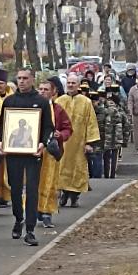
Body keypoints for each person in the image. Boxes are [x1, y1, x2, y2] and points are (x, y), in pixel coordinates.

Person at [0, 68, 54, 246]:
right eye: (19, 78)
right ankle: (18, 218)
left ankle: (30, 229)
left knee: (31, 189)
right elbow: (2, 126)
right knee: (14, 189)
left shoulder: (42, 102)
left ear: (32, 79)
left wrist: (42, 144)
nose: (21, 81)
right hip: (13, 154)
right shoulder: (10, 101)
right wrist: (0, 142)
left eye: (25, 78)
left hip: (33, 153)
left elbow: (48, 128)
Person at [56, 72, 101, 208]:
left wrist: (89, 143)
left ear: (78, 85)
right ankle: (64, 193)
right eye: (68, 83)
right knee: (62, 169)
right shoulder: (59, 101)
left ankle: (74, 196)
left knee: (78, 169)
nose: (70, 85)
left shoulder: (86, 102)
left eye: (73, 83)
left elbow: (91, 123)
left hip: (79, 143)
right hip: (63, 142)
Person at [37, 78, 73, 228]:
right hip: (34, 152)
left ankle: (47, 212)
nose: (43, 92)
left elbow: (68, 128)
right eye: (41, 89)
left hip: (51, 153)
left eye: (46, 89)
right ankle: (32, 211)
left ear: (53, 92)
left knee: (50, 182)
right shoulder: (33, 108)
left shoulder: (58, 110)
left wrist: (61, 135)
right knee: (33, 183)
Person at [0, 68, 15, 206]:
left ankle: (6, 194)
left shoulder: (12, 98)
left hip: (9, 136)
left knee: (7, 167)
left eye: (1, 83)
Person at [101, 89, 123, 178]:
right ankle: (110, 174)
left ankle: (109, 174)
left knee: (109, 156)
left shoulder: (104, 111)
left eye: (111, 102)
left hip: (111, 137)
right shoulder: (119, 111)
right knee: (111, 156)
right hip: (111, 137)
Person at [87, 89, 105, 179]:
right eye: (91, 101)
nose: (92, 103)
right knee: (89, 157)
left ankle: (97, 176)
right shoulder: (87, 110)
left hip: (99, 136)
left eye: (94, 101)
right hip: (88, 136)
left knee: (97, 156)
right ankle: (90, 175)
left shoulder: (102, 111)